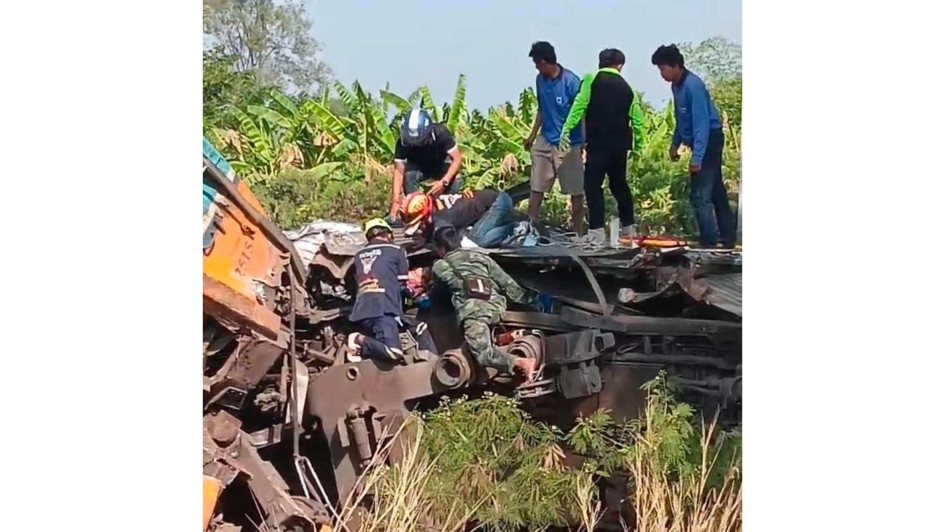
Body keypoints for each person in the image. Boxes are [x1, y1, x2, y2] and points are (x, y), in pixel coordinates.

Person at [431, 225, 553, 382]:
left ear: (441, 248)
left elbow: (437, 294)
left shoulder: (440, 265)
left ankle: (521, 362)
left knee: (483, 354)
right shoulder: (480, 257)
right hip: (497, 307)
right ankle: (508, 337)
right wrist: (532, 302)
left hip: (475, 313)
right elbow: (508, 285)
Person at [651, 44, 735, 249]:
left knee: (700, 196)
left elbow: (701, 123)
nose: (661, 74)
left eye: (663, 68)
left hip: (708, 140)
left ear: (676, 65)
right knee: (716, 193)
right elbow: (682, 118)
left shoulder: (693, 86)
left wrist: (697, 157)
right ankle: (727, 238)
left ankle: (709, 242)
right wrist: (675, 143)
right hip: (698, 140)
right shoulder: (676, 86)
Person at [560, 48, 644, 246]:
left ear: (601, 62)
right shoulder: (627, 88)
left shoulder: (591, 78)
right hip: (620, 144)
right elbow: (637, 120)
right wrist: (638, 146)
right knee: (619, 185)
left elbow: (580, 104)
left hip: (598, 143)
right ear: (620, 65)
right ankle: (629, 229)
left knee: (592, 184)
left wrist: (567, 128)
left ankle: (596, 232)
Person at [347, 218, 436, 362]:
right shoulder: (396, 251)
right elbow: (402, 286)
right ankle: (358, 341)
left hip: (362, 312)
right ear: (388, 234)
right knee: (393, 351)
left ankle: (428, 363)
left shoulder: (357, 256)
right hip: (383, 310)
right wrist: (415, 299)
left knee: (419, 328)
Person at [523, 41, 585, 233]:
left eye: (537, 63)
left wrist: (584, 142)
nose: (536, 67)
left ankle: (577, 232)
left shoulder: (571, 82)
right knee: (536, 186)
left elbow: (583, 112)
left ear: (544, 62)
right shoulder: (540, 81)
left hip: (568, 144)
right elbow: (542, 108)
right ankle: (530, 228)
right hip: (545, 139)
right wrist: (532, 135)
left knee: (575, 190)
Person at [389, 109, 464, 221]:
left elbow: (457, 159)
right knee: (409, 176)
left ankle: (447, 210)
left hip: (439, 164)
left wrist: (444, 181)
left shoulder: (441, 133)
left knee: (456, 179)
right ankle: (414, 210)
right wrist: (396, 200)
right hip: (418, 167)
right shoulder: (401, 142)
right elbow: (399, 171)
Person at [401, 188, 521, 248]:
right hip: (490, 202)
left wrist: (430, 243)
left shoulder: (444, 218)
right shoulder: (436, 204)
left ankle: (513, 228)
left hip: (498, 202)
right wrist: (425, 238)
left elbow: (453, 244)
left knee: (477, 240)